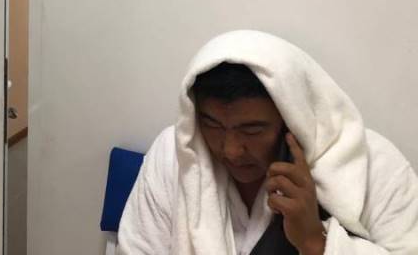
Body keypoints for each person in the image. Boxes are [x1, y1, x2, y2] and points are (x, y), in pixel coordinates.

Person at [117, 30, 418, 255]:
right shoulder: (174, 155)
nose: (231, 150)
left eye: (252, 130)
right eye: (213, 124)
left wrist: (315, 242)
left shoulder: (375, 168)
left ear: (292, 119)